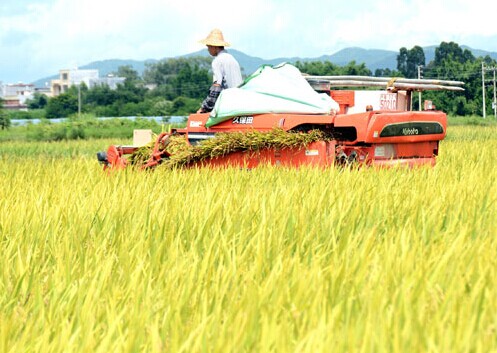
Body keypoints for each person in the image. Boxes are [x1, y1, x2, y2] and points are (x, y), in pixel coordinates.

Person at [197, 29, 243, 113]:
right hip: (239, 102)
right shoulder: (232, 59)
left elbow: (216, 87)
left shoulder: (217, 61)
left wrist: (204, 108)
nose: (208, 50)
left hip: (227, 105)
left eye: (208, 47)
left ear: (214, 46)